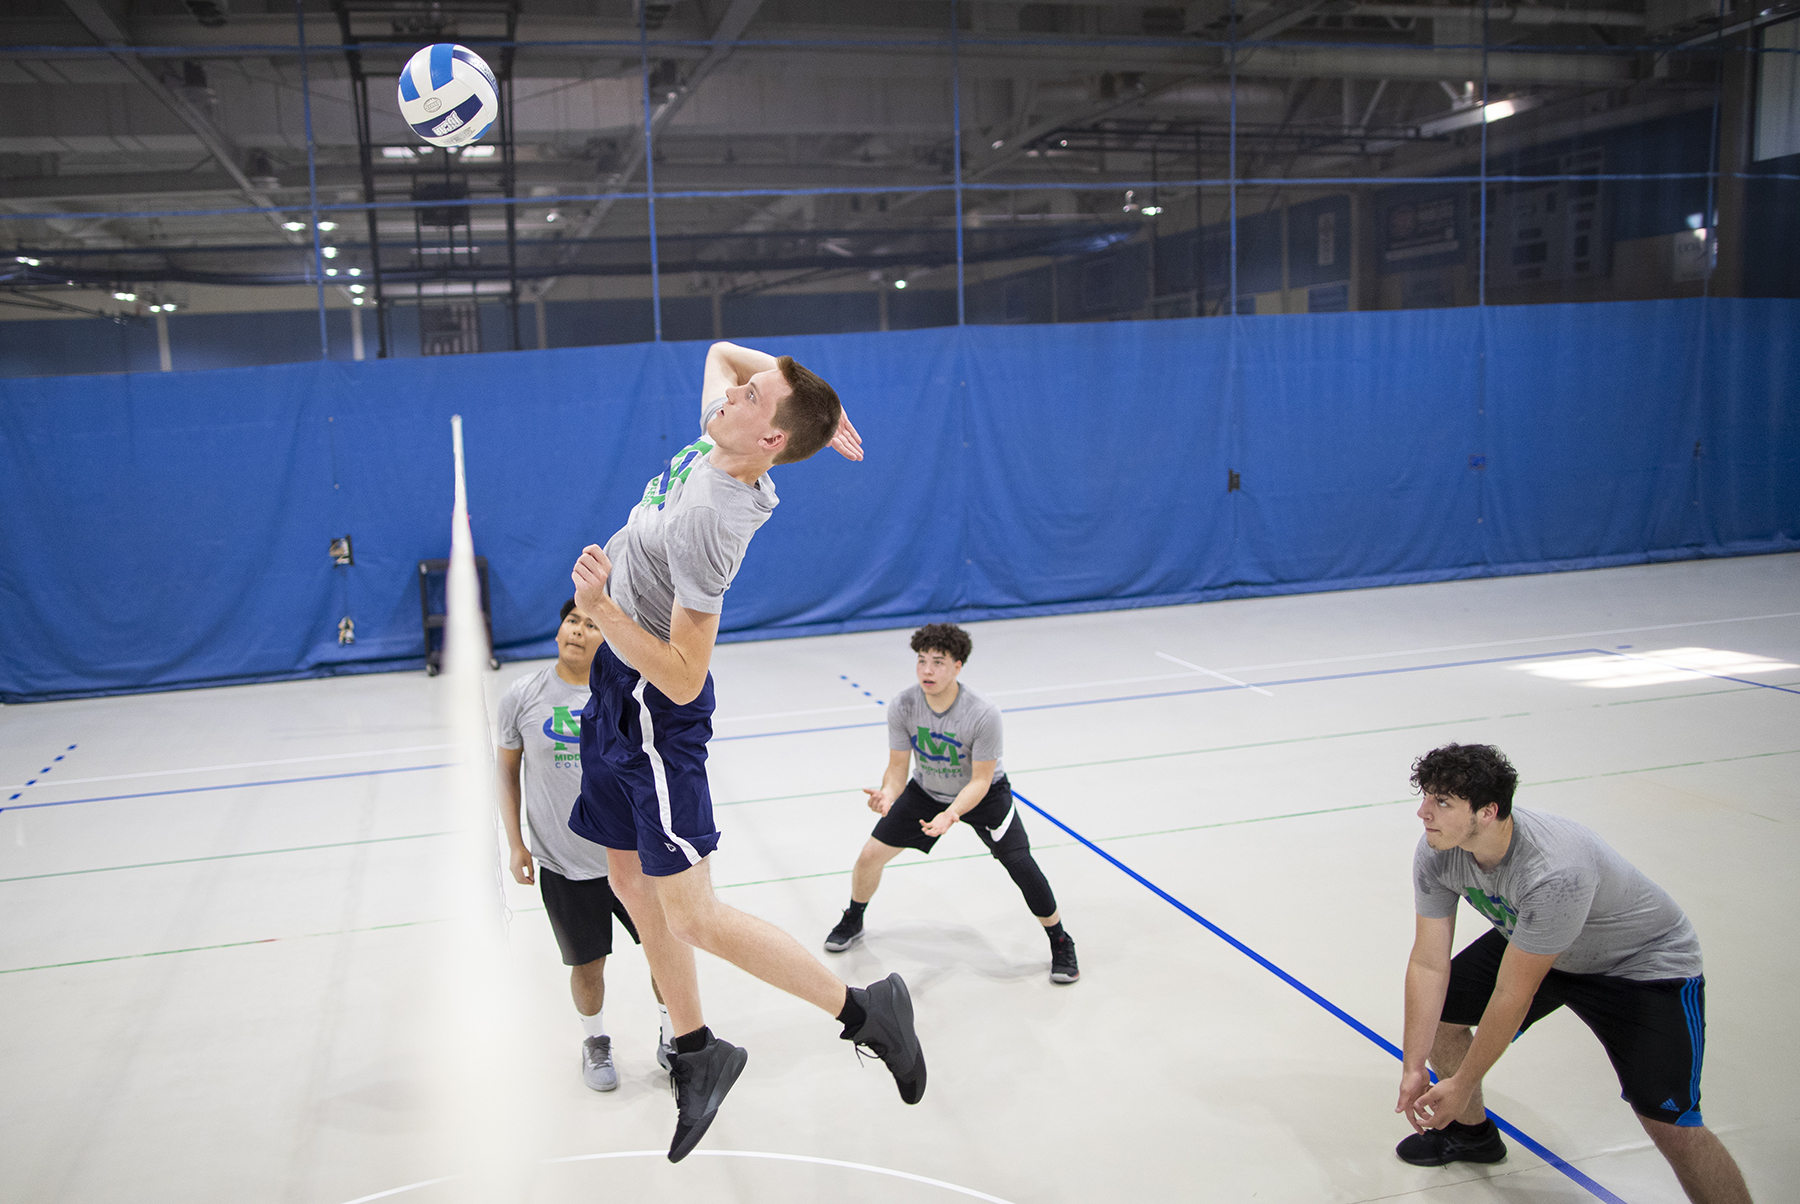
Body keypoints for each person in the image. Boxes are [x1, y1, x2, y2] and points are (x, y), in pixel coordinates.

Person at [567, 340, 926, 1164]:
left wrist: (602, 611)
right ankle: (698, 1052)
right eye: (744, 391)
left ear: (767, 441)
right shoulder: (718, 433)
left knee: (694, 913)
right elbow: (723, 350)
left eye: (753, 398)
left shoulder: (712, 520)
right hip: (616, 697)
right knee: (628, 877)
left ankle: (867, 1012)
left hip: (657, 712)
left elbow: (688, 678)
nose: (734, 392)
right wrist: (817, 408)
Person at [1395, 743, 1752, 1204]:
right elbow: (1428, 963)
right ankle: (1472, 1135)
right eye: (1426, 797)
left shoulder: (1554, 869)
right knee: (1444, 1016)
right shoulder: (1439, 850)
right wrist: (1411, 1066)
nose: (1424, 812)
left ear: (1488, 812)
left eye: (1442, 802)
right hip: (1539, 940)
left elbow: (1512, 993)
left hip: (1639, 966)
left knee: (1670, 1122)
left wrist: (1460, 1084)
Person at [823, 623, 1079, 985]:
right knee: (869, 856)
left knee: (1021, 865)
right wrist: (889, 793)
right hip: (926, 790)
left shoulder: (982, 713)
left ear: (957, 667)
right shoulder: (903, 705)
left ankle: (1060, 940)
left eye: (938, 662)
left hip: (984, 796)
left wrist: (952, 814)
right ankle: (854, 917)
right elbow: (898, 767)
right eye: (922, 661)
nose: (927, 670)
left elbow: (981, 779)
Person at [495, 599, 672, 1092]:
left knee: (663, 950)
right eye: (572, 621)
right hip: (564, 863)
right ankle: (595, 1042)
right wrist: (516, 844)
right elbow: (507, 773)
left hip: (630, 858)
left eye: (591, 624)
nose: (577, 631)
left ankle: (672, 1032)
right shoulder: (522, 696)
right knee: (586, 963)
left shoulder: (626, 695)